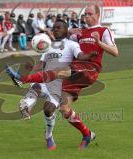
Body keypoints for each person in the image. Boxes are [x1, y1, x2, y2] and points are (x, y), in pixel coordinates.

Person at [6, 4, 119, 149]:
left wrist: (99, 43)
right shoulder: (80, 33)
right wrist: (62, 32)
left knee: (60, 70)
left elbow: (115, 52)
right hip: (75, 74)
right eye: (85, 14)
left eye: (89, 13)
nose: (86, 16)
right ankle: (87, 134)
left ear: (98, 15)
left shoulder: (104, 30)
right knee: (64, 109)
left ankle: (22, 79)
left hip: (89, 69)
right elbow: (62, 35)